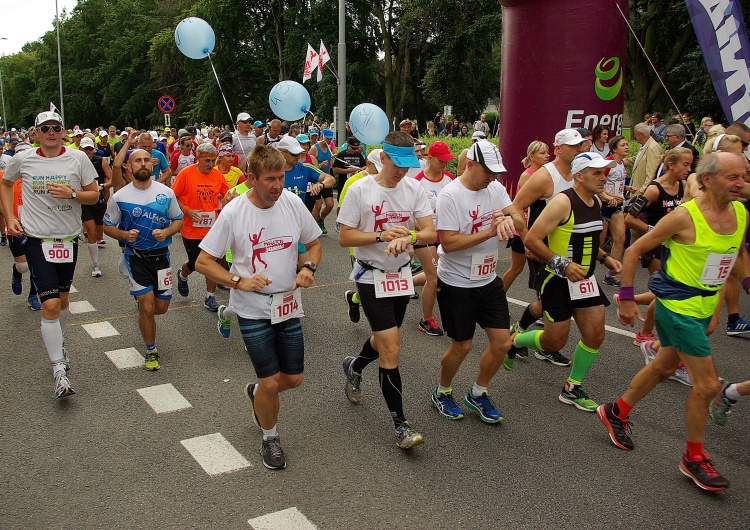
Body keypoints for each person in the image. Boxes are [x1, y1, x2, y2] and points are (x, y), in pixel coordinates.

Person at [598, 151, 749, 492]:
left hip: (704, 306)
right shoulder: (684, 217)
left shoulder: (740, 212)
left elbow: (736, 257)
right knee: (708, 386)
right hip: (676, 306)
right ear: (707, 181)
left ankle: (616, 411)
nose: (741, 183)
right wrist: (624, 298)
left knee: (663, 366)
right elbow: (635, 251)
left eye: (744, 176)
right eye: (733, 177)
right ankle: (694, 457)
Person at [195, 145, 322, 470]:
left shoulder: (292, 203)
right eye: (269, 179)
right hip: (251, 308)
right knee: (271, 382)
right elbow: (203, 262)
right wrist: (238, 281)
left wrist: (308, 268)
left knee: (292, 380)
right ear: (251, 178)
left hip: (288, 305)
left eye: (280, 178)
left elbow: (315, 244)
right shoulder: (235, 212)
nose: (277, 186)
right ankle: (270, 437)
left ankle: (257, 393)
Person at [337, 131, 436, 450]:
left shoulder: (414, 188)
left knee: (384, 340)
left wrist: (409, 237)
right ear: (384, 157)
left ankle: (354, 365)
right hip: (369, 275)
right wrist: (380, 236)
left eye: (409, 165)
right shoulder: (360, 189)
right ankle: (401, 425)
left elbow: (430, 232)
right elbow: (345, 238)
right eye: (398, 164)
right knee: (392, 346)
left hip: (401, 274)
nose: (403, 171)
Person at [0, 111, 100, 398]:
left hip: (68, 239)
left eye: (56, 127)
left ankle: (60, 343)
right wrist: (10, 217)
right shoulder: (23, 159)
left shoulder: (78, 158)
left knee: (64, 300)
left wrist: (72, 193)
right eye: (45, 128)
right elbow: (5, 184)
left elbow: (93, 195)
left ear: (64, 131)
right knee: (52, 304)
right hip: (35, 239)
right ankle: (58, 370)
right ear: (36, 133)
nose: (51, 132)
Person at [510, 152, 620, 411]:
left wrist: (605, 259)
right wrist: (563, 265)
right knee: (554, 342)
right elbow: (532, 240)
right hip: (557, 279)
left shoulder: (595, 203)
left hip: (585, 279)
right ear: (579, 176)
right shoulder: (562, 202)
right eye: (597, 173)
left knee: (595, 334)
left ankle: (572, 387)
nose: (603, 178)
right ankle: (515, 341)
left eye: (604, 172)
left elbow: (588, 241)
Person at [431, 140, 525, 422]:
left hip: (487, 280)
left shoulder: (494, 188)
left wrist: (509, 218)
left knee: (503, 343)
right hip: (456, 283)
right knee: (463, 346)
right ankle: (442, 391)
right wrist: (489, 231)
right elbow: (447, 244)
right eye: (488, 172)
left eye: (496, 173)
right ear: (470, 165)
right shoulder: (450, 195)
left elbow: (520, 219)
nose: (493, 178)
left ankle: (477, 393)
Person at [511, 128, 587, 365]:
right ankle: (534, 341)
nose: (579, 149)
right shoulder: (546, 176)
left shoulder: (579, 174)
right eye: (574, 146)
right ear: (559, 149)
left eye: (581, 145)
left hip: (569, 249)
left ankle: (522, 330)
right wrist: (527, 240)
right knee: (548, 301)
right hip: (543, 250)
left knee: (552, 302)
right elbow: (515, 208)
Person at [103, 149, 183, 370]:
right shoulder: (120, 197)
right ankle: (151, 350)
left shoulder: (166, 193)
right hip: (136, 257)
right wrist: (123, 235)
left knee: (161, 308)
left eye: (147, 160)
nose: (143, 164)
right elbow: (107, 227)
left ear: (152, 164)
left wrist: (167, 232)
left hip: (161, 259)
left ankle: (143, 305)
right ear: (129, 167)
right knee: (147, 308)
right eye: (137, 161)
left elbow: (178, 219)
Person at [172, 143, 230, 311]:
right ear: (198, 158)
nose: (211, 165)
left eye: (213, 160)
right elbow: (173, 196)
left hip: (212, 226)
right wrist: (187, 210)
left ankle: (209, 297)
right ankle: (183, 275)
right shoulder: (185, 174)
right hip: (191, 228)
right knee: (196, 263)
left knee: (211, 262)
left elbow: (228, 194)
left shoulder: (217, 175)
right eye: (207, 161)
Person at [411, 141, 455, 336]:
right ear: (430, 158)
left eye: (447, 160)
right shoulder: (418, 181)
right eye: (441, 160)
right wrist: (426, 229)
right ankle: (426, 319)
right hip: (424, 235)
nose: (445, 164)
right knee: (434, 277)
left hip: (446, 234)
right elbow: (410, 213)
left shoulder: (450, 179)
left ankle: (408, 282)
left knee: (444, 275)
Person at [501, 141, 548, 291]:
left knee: (537, 269)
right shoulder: (527, 175)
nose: (547, 156)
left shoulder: (543, 173)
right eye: (542, 153)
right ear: (532, 156)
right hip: (523, 229)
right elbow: (520, 206)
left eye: (547, 152)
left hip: (535, 228)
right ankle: (496, 299)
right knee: (517, 269)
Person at [599, 135, 631, 287]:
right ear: (614, 148)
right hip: (604, 205)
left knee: (620, 238)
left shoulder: (621, 163)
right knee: (598, 242)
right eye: (623, 145)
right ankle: (585, 271)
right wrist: (609, 196)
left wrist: (626, 188)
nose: (626, 147)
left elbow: (615, 182)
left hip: (617, 206)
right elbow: (598, 185)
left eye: (626, 144)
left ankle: (610, 274)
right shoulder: (607, 163)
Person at [79, 136, 113, 277]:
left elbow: (112, 179)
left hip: (98, 201)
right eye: (85, 149)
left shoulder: (100, 160)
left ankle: (96, 241)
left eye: (90, 149)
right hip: (83, 201)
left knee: (100, 233)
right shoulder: (75, 162)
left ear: (94, 148)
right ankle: (96, 265)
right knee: (92, 232)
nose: (88, 152)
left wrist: (102, 187)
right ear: (80, 148)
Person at [623, 122, 662, 199]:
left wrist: (642, 191)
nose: (634, 136)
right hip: (636, 191)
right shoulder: (644, 145)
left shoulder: (652, 148)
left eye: (635, 134)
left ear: (641, 134)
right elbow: (636, 160)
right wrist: (617, 161)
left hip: (641, 193)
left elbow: (652, 173)